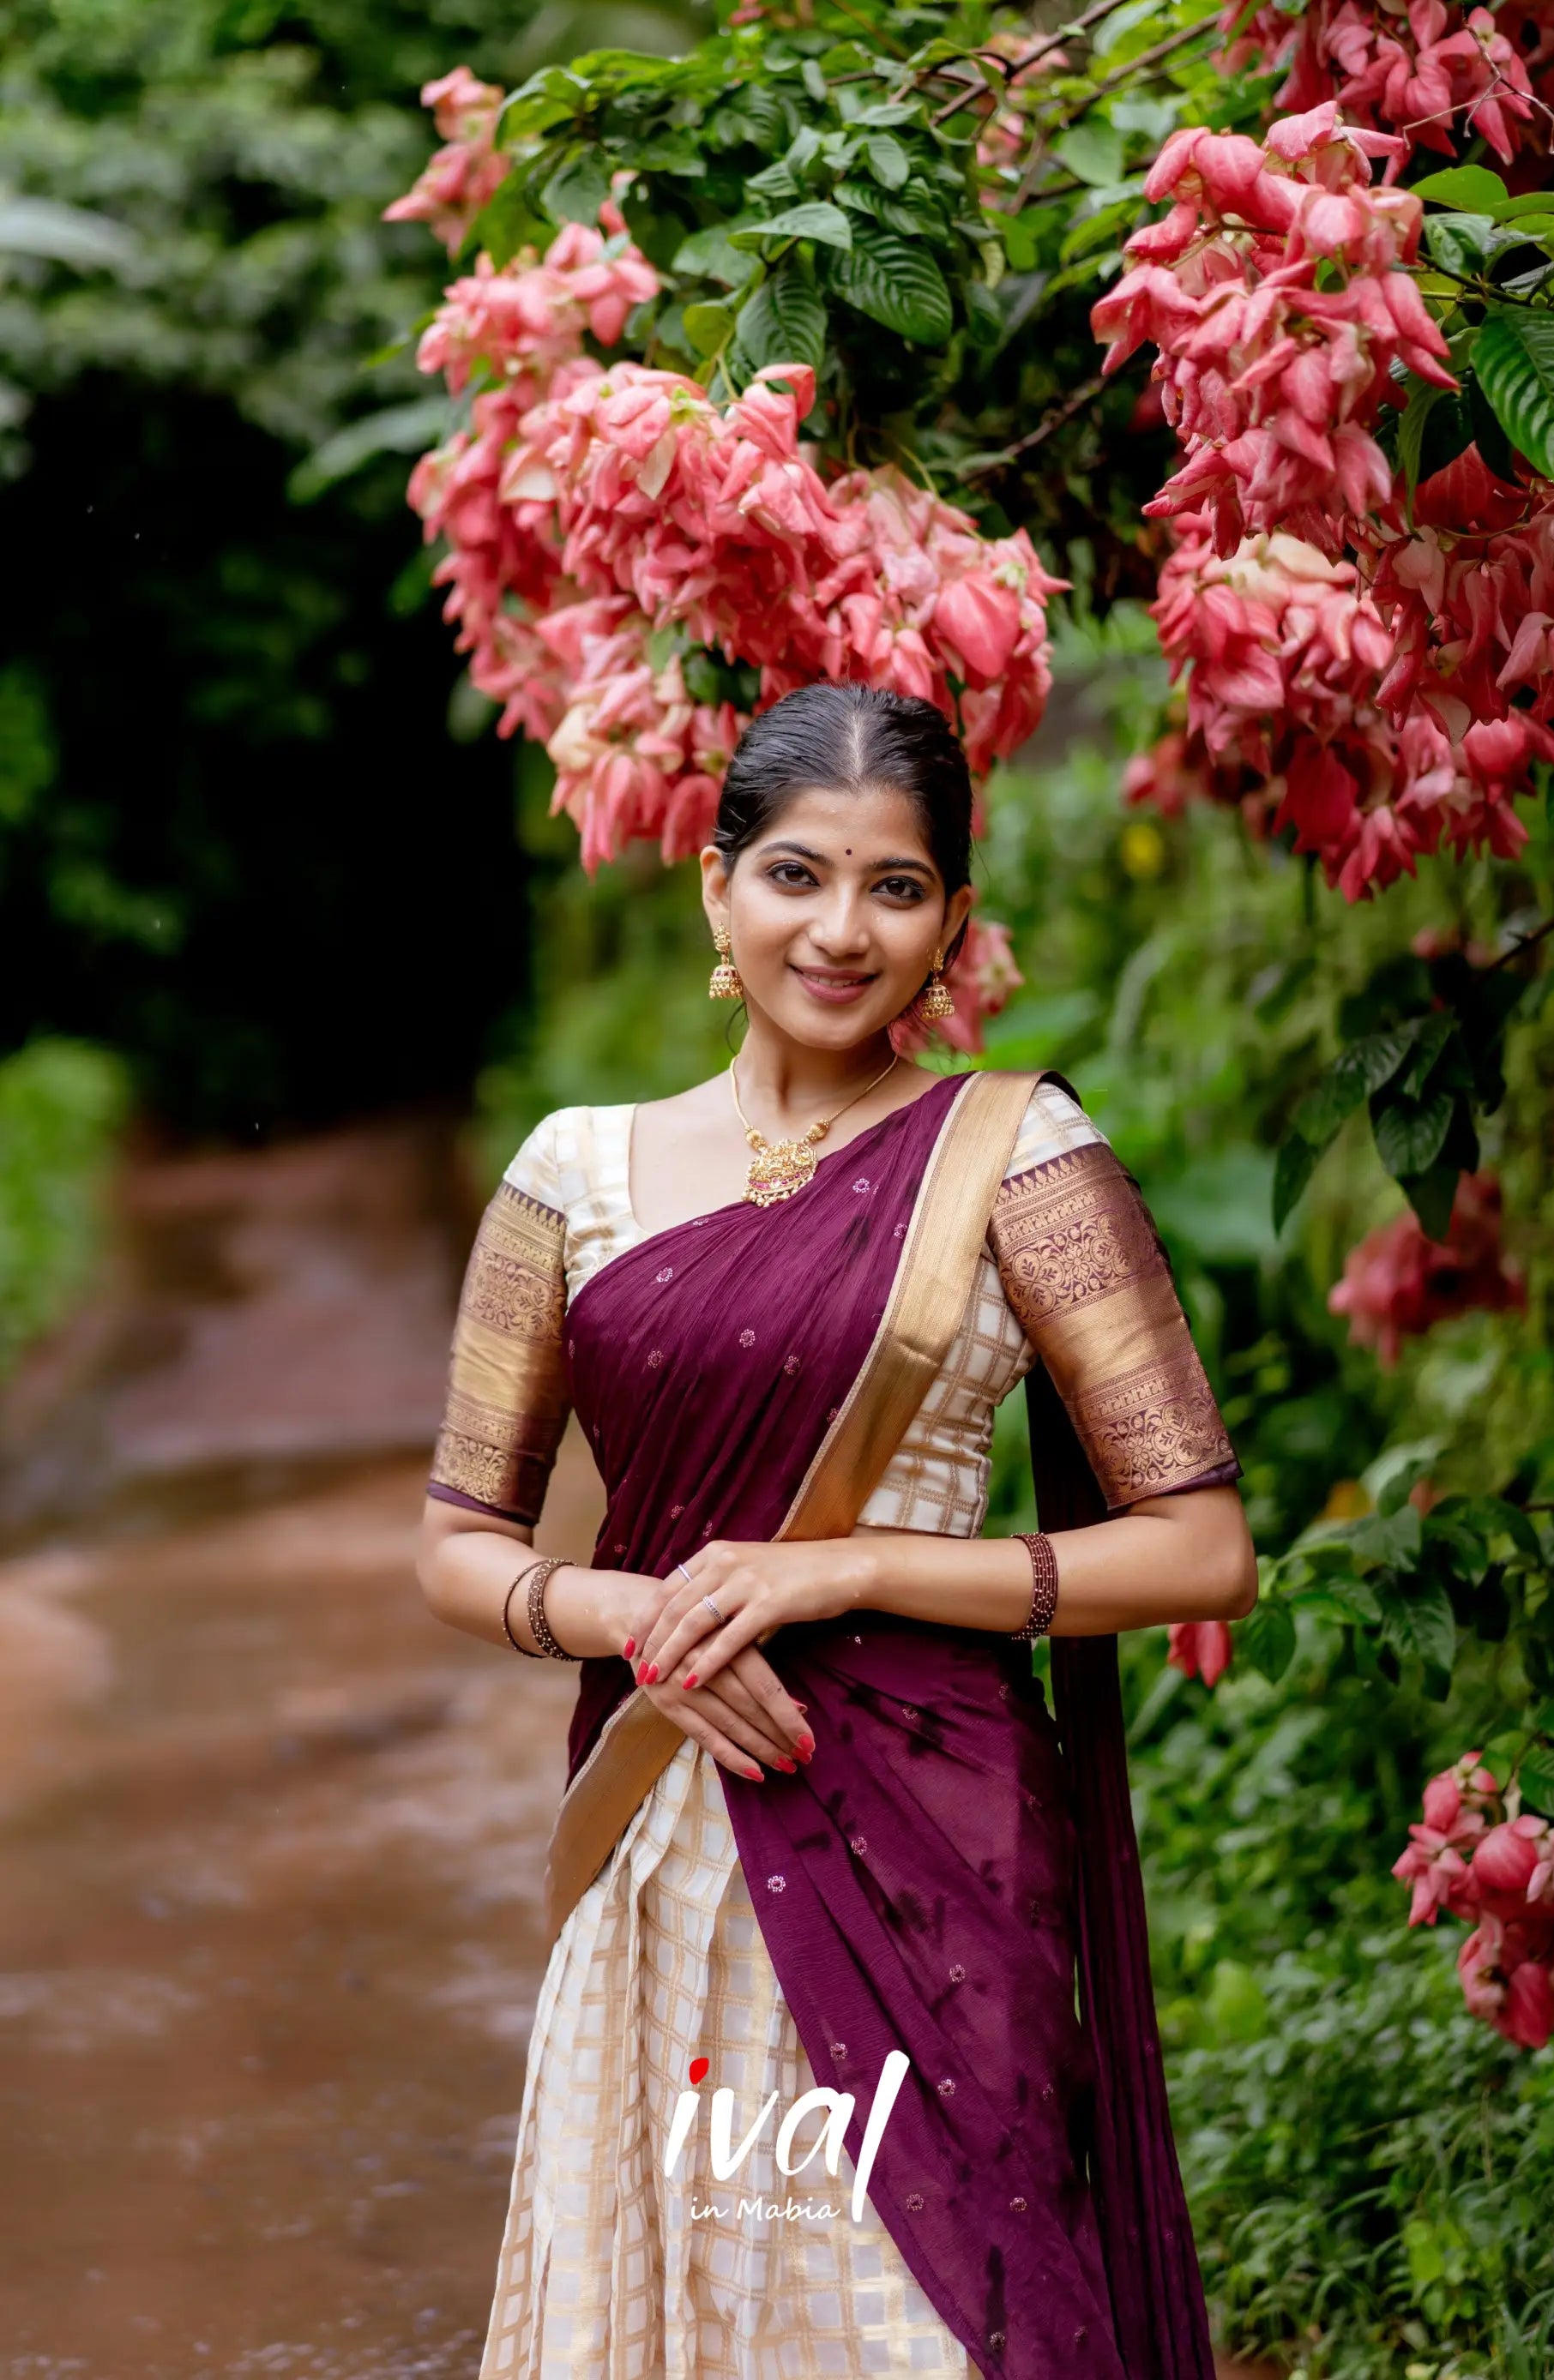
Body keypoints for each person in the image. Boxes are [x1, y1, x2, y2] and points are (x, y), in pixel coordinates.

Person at [417, 683, 1257, 2380]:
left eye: (896, 888)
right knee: (706, 2312)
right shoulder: (573, 1176)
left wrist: (846, 1566)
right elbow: (459, 1541)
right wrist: (638, 1616)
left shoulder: (1016, 1157)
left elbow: (1199, 1547)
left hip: (935, 1847)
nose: (843, 929)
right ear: (718, 886)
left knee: (931, 2325)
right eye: (798, 874)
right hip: (663, 1825)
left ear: (953, 917)